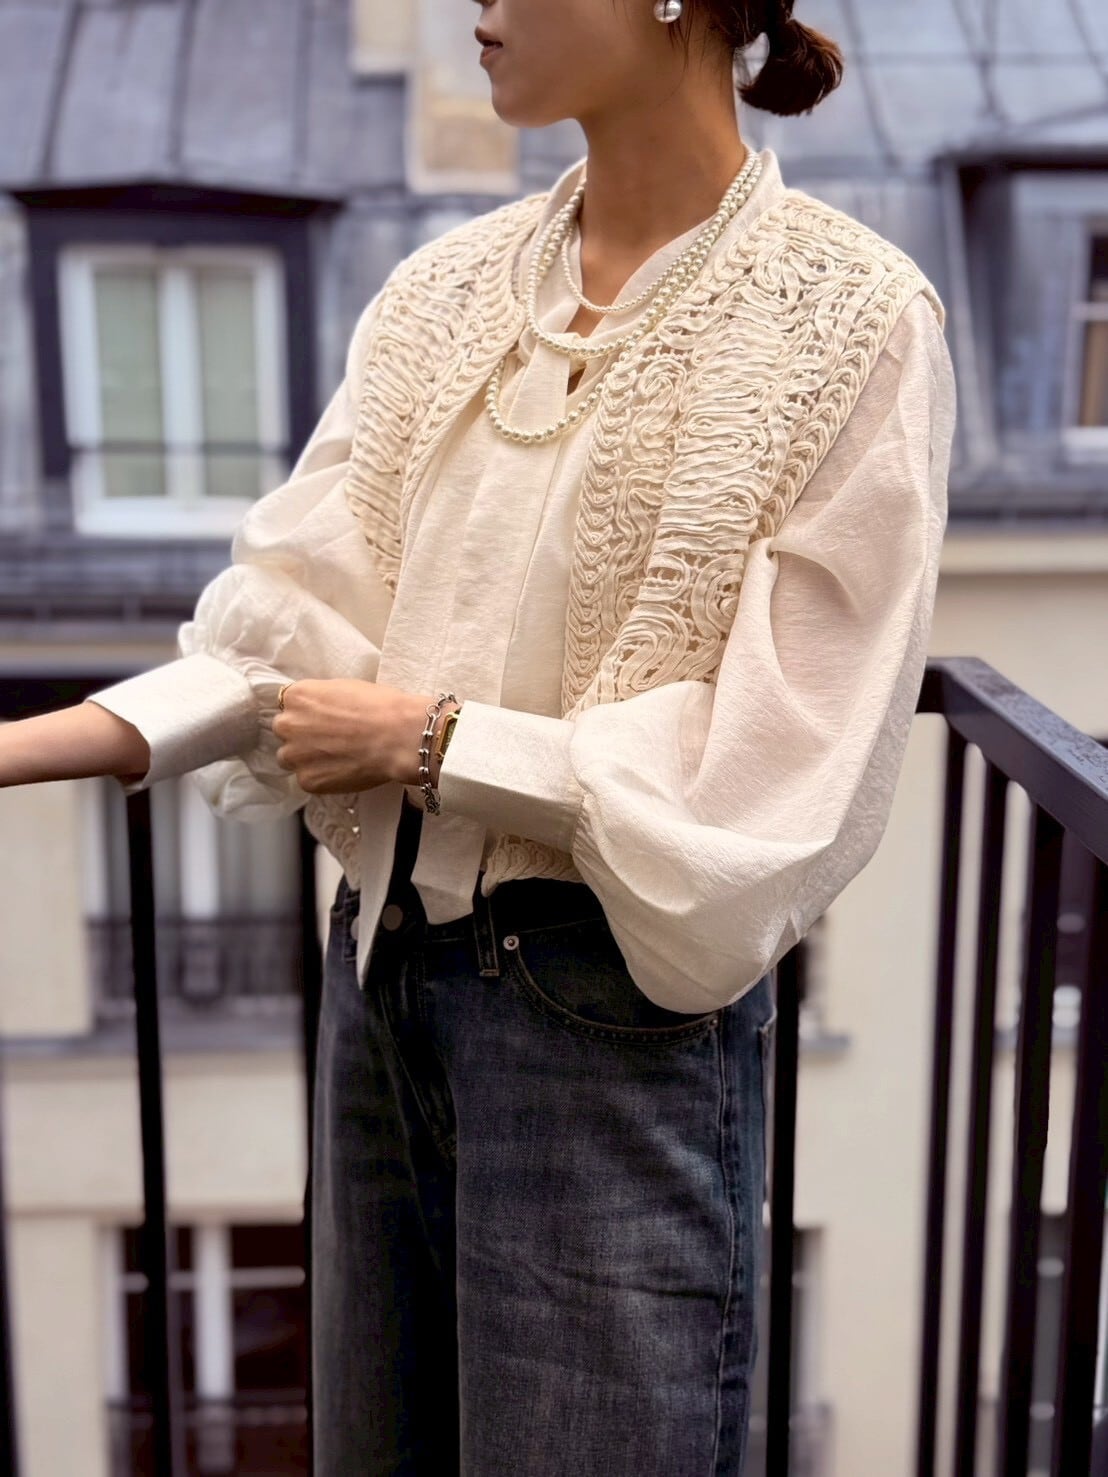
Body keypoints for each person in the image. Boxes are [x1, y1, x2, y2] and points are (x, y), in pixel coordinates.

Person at [0, 0, 957, 1471]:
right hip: (378, 975)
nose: (480, 10)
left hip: (607, 1023)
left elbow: (786, 767)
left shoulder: (854, 319)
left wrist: (443, 744)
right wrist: (33, 744)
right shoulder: (442, 291)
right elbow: (287, 633)